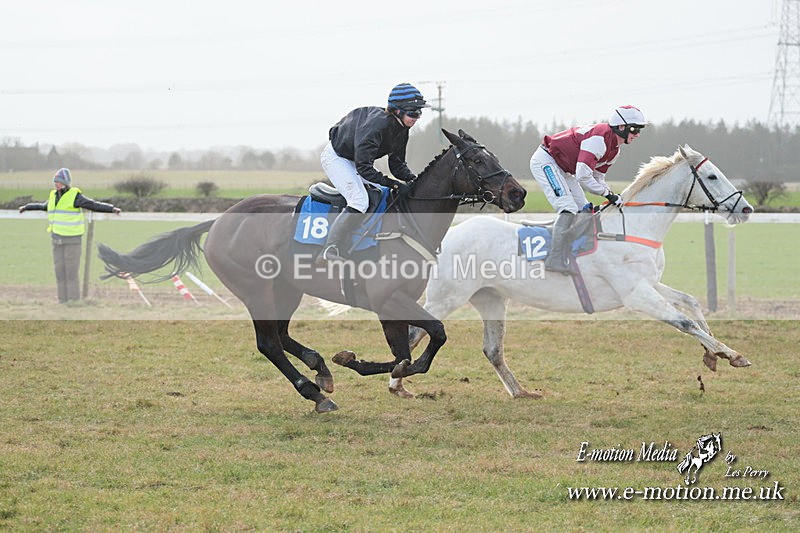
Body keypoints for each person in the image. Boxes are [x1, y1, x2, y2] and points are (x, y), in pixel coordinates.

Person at [316, 82, 429, 264]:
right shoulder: (376, 127)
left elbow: (397, 165)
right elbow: (364, 169)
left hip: (355, 159)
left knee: (382, 195)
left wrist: (415, 180)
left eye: (420, 112)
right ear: (397, 111)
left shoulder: (402, 129)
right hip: (337, 157)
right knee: (359, 200)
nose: (418, 117)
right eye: (413, 112)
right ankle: (330, 247)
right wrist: (394, 184)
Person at [529, 105, 647, 274]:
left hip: (565, 168)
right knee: (568, 207)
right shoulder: (598, 140)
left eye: (640, 130)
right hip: (546, 161)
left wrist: (611, 195)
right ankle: (554, 259)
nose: (637, 134)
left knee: (585, 209)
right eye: (634, 129)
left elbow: (598, 178)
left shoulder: (614, 151)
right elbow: (583, 177)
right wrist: (607, 194)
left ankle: (570, 252)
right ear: (621, 127)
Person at [19, 168, 122, 303]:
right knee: (59, 272)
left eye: (59, 181)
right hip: (56, 240)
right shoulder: (53, 196)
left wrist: (111, 209)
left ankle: (73, 300)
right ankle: (62, 300)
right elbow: (43, 206)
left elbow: (93, 205)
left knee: (71, 272)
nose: (56, 184)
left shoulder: (75, 196)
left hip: (72, 240)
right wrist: (26, 207)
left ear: (66, 183)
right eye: (55, 181)